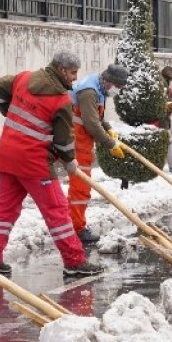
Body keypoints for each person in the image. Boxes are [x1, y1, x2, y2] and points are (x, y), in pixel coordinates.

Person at [0, 51, 99, 277]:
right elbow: (64, 141)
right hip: (34, 163)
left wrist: (9, 114)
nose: (75, 78)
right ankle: (74, 262)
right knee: (57, 211)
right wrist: (70, 161)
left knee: (4, 209)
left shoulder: (24, 78)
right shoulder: (60, 100)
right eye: (73, 73)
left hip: (7, 155)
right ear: (61, 69)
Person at [68, 64, 129, 244]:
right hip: (77, 141)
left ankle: (68, 223)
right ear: (109, 82)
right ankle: (76, 229)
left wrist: (109, 129)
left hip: (82, 142)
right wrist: (110, 144)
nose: (118, 91)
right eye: (118, 87)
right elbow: (91, 124)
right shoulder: (89, 91)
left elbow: (97, 117)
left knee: (79, 186)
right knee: (81, 187)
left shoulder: (98, 86)